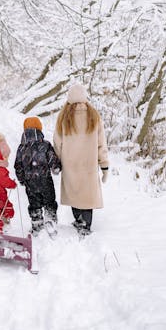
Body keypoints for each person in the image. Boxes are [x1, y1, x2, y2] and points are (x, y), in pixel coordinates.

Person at [53, 83, 109, 237]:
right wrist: (104, 165)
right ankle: (86, 224)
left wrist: (57, 161)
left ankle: (78, 220)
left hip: (70, 164)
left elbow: (57, 142)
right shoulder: (94, 115)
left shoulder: (63, 116)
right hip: (89, 165)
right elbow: (101, 143)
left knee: (74, 193)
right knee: (87, 196)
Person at [14, 116, 61, 235]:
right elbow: (52, 160)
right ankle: (50, 219)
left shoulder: (21, 148)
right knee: (49, 201)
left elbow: (18, 165)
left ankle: (37, 223)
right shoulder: (45, 145)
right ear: (40, 129)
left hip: (30, 183)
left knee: (34, 204)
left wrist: (21, 179)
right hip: (45, 180)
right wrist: (56, 167)